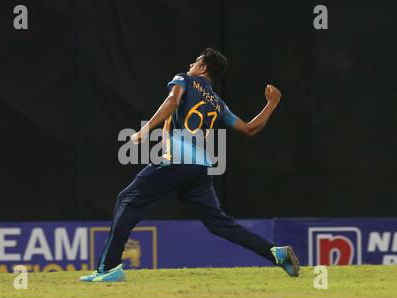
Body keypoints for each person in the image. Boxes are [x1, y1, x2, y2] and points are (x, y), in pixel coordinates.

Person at [80, 48, 299, 282]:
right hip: (200, 171)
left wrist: (145, 129)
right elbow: (249, 128)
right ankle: (274, 252)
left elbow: (173, 101)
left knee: (126, 199)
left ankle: (109, 268)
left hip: (177, 161)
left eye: (196, 61)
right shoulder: (218, 104)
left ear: (203, 68)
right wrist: (271, 104)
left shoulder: (184, 79)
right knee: (221, 225)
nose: (190, 65)